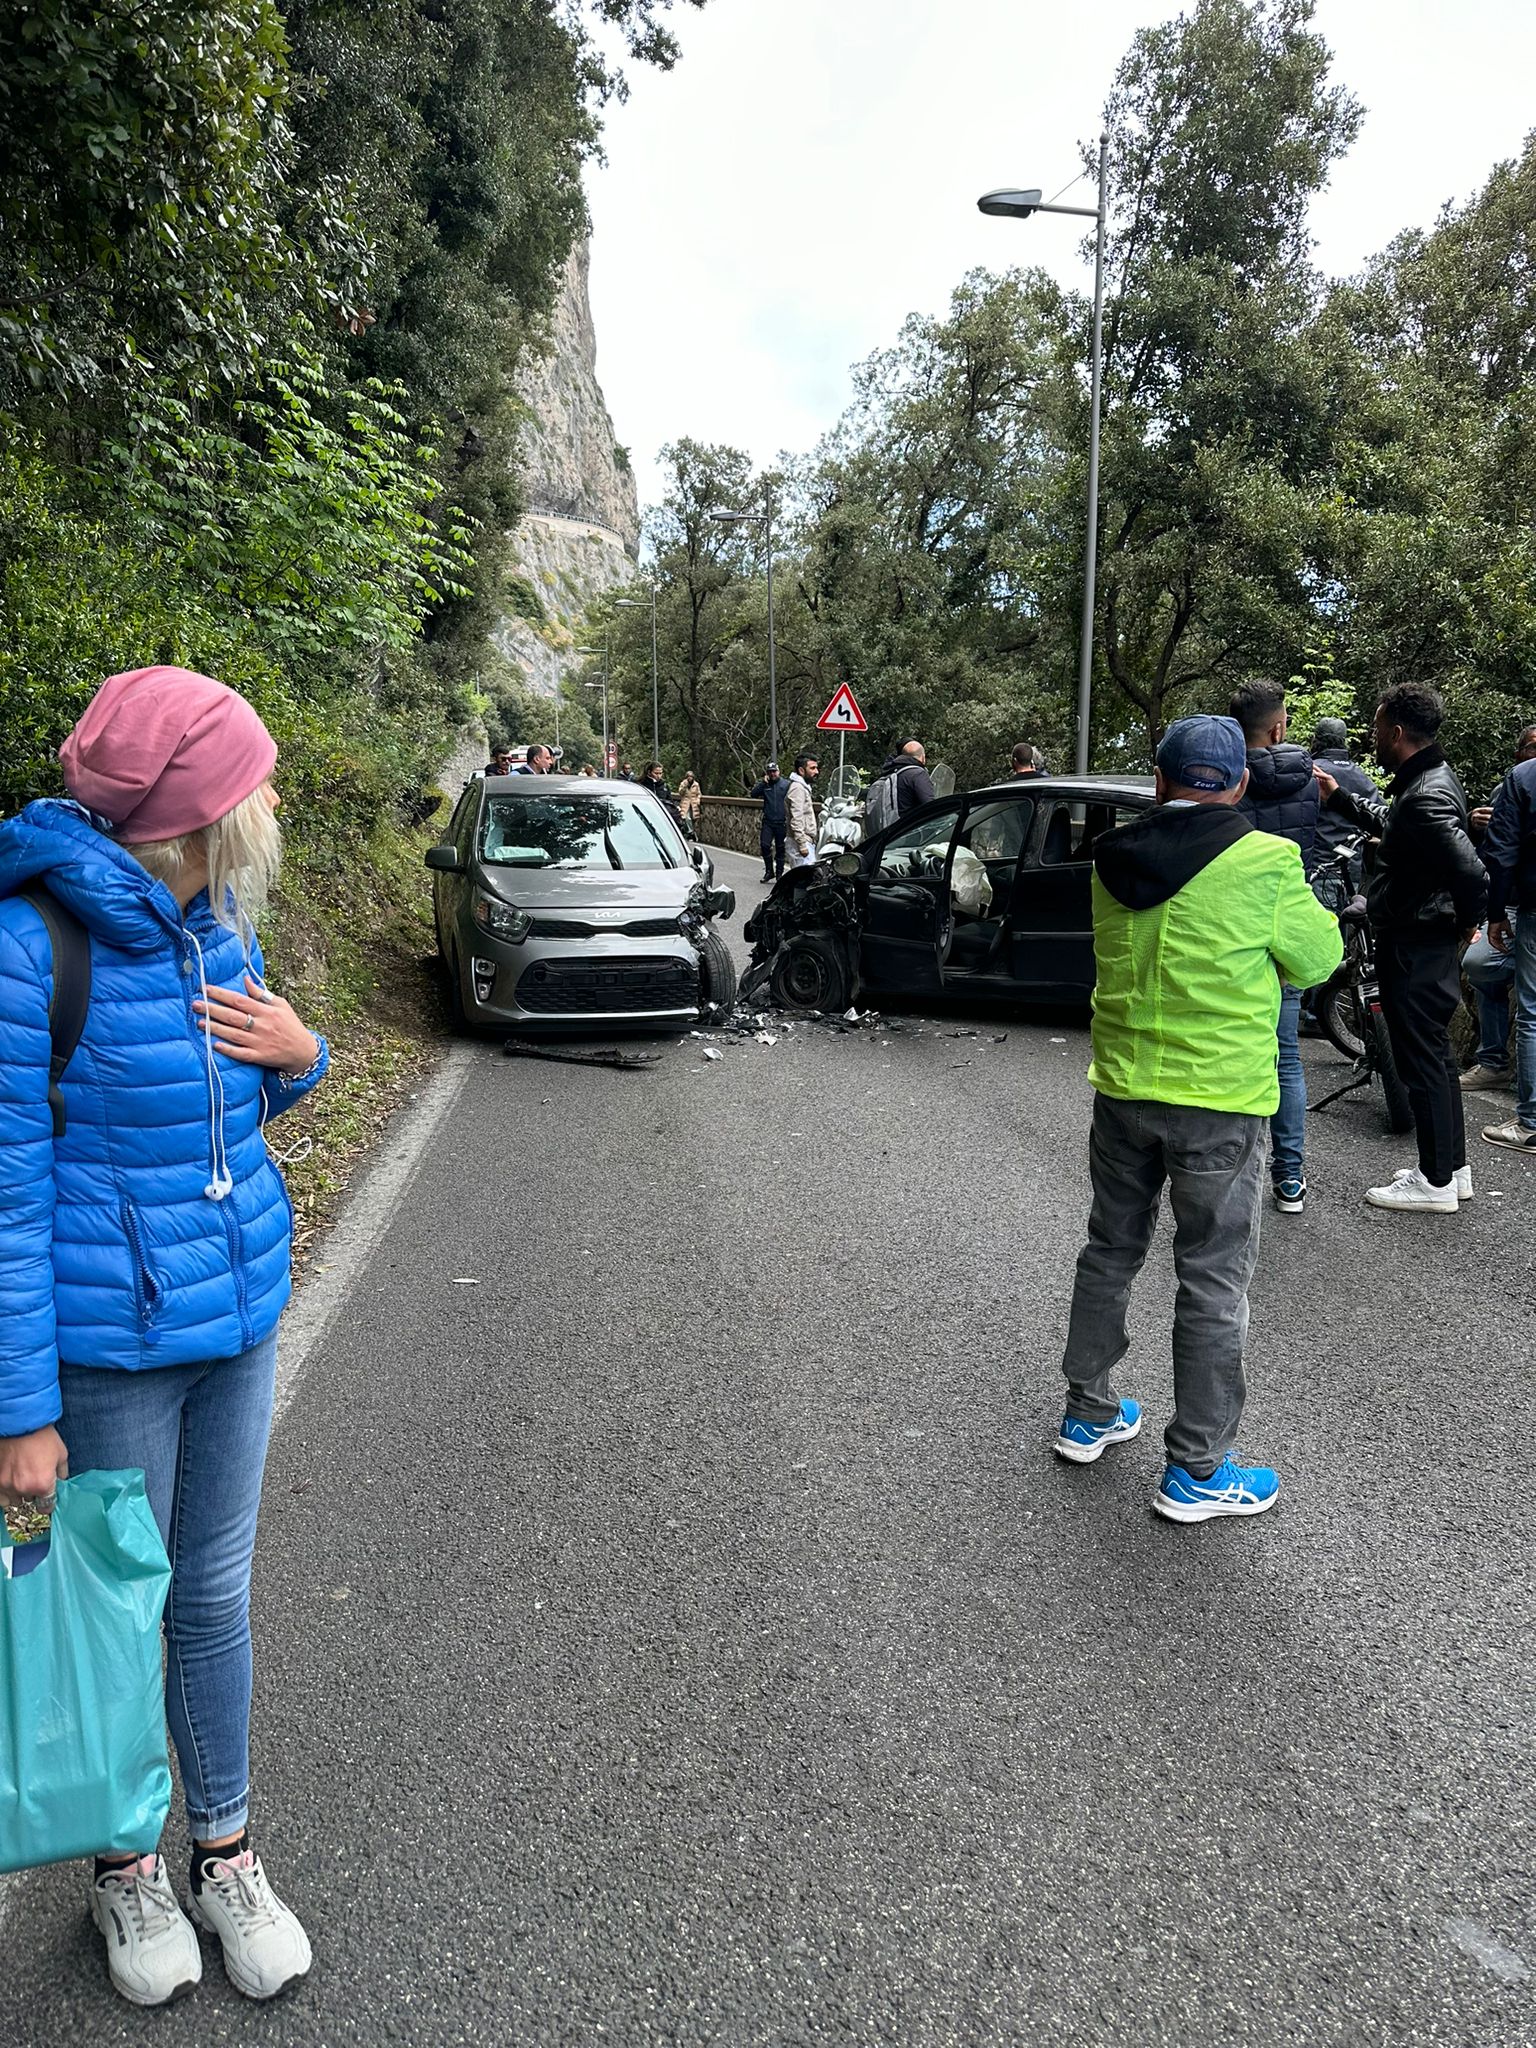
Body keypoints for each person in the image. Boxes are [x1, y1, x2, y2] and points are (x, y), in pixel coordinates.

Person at [0, 665, 326, 2005]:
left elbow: (248, 1093)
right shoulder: (32, 948)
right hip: (109, 1346)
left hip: (235, 1318)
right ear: (183, 820)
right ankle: (127, 1875)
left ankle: (226, 1852)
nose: (263, 814)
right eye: (242, 795)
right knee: (115, 1612)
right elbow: (6, 1198)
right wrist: (21, 1411)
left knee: (211, 1594)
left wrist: (300, 1057)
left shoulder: (218, 919)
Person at [1054, 715, 1341, 1524]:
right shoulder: (1266, 861)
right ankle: (1197, 1471)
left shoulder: (1110, 863)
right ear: (1240, 784)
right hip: (1218, 1103)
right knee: (1212, 1279)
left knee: (1110, 1248)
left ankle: (1089, 1412)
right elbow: (1319, 961)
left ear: (1158, 780)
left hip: (1122, 1089)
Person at [1315, 681, 1488, 1211]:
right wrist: (1340, 798)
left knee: (1421, 1058)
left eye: (1375, 726)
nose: (1371, 735)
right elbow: (1398, 830)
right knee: (1432, 1055)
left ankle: (1433, 1182)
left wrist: (1467, 921)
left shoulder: (1428, 793)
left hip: (1417, 940)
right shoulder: (1425, 782)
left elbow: (1472, 873)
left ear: (1395, 731)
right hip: (1422, 934)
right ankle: (1451, 1169)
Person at [1230, 679, 1319, 1215]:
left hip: (1234, 934)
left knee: (1235, 1054)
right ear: (1280, 726)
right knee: (1287, 1058)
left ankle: (1231, 1174)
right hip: (1284, 931)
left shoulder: (1225, 781)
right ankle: (1289, 1179)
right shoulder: (1309, 779)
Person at [1459, 722, 1536, 1091]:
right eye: (1532, 748)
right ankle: (1493, 1061)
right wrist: (1475, 825)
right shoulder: (1510, 786)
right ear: (1518, 754)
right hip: (1511, 905)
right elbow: (1490, 856)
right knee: (1478, 965)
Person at [1476, 730, 1536, 1152]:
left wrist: (1495, 912)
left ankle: (1531, 1122)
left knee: (1533, 1012)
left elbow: (1502, 852)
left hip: (1530, 906)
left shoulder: (1524, 778)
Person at [1308, 718, 1377, 859]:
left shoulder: (1311, 772)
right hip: (1350, 867)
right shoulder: (1361, 776)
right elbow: (1380, 818)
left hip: (1315, 865)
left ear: (1315, 740)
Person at [749, 761, 788, 881]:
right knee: (765, 845)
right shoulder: (765, 785)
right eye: (770, 772)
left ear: (778, 771)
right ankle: (769, 871)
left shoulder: (786, 784)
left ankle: (779, 873)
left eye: (774, 771)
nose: (772, 774)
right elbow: (753, 794)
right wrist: (762, 783)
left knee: (780, 848)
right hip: (768, 822)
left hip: (782, 822)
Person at [785, 753, 820, 866]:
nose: (816, 772)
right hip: (801, 842)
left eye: (816, 768)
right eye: (812, 768)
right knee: (804, 880)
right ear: (801, 770)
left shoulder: (803, 787)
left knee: (808, 879)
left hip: (805, 840)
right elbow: (796, 817)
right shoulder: (797, 788)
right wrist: (802, 844)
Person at [676, 770, 702, 836]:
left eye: (691, 776)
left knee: (694, 818)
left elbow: (699, 793)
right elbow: (680, 793)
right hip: (685, 802)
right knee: (686, 818)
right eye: (688, 776)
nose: (690, 778)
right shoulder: (683, 783)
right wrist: (685, 787)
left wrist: (698, 799)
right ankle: (690, 832)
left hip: (694, 803)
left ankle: (690, 833)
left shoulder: (696, 784)